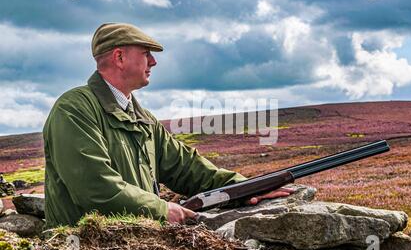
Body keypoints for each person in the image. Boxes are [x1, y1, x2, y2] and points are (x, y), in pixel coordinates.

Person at [43, 23, 293, 228]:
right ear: (119, 57)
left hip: (129, 245)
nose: (153, 62)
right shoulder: (74, 109)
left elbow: (186, 168)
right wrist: (161, 210)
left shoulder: (142, 118)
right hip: (81, 249)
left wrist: (244, 187)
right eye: (145, 53)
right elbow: (95, 188)